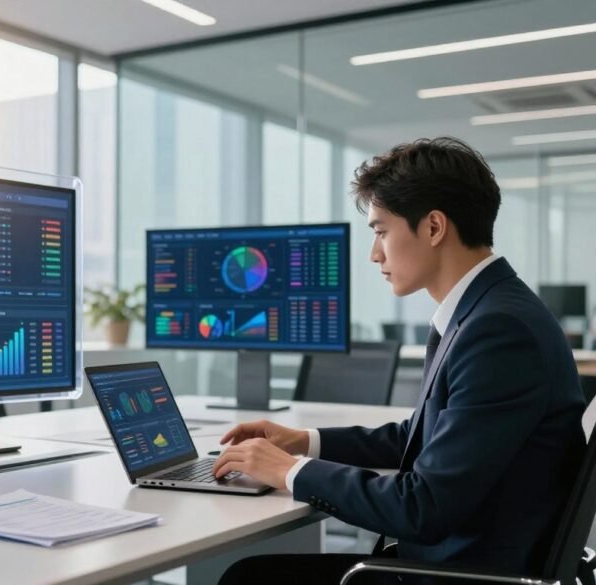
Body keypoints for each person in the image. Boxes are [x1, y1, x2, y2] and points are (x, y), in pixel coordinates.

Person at [214, 137, 586, 585]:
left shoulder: (499, 331)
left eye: (380, 231)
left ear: (433, 228)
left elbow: (421, 507)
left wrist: (286, 470)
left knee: (248, 579)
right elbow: (420, 437)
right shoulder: (487, 311)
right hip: (461, 561)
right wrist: (304, 442)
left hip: (458, 576)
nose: (374, 254)